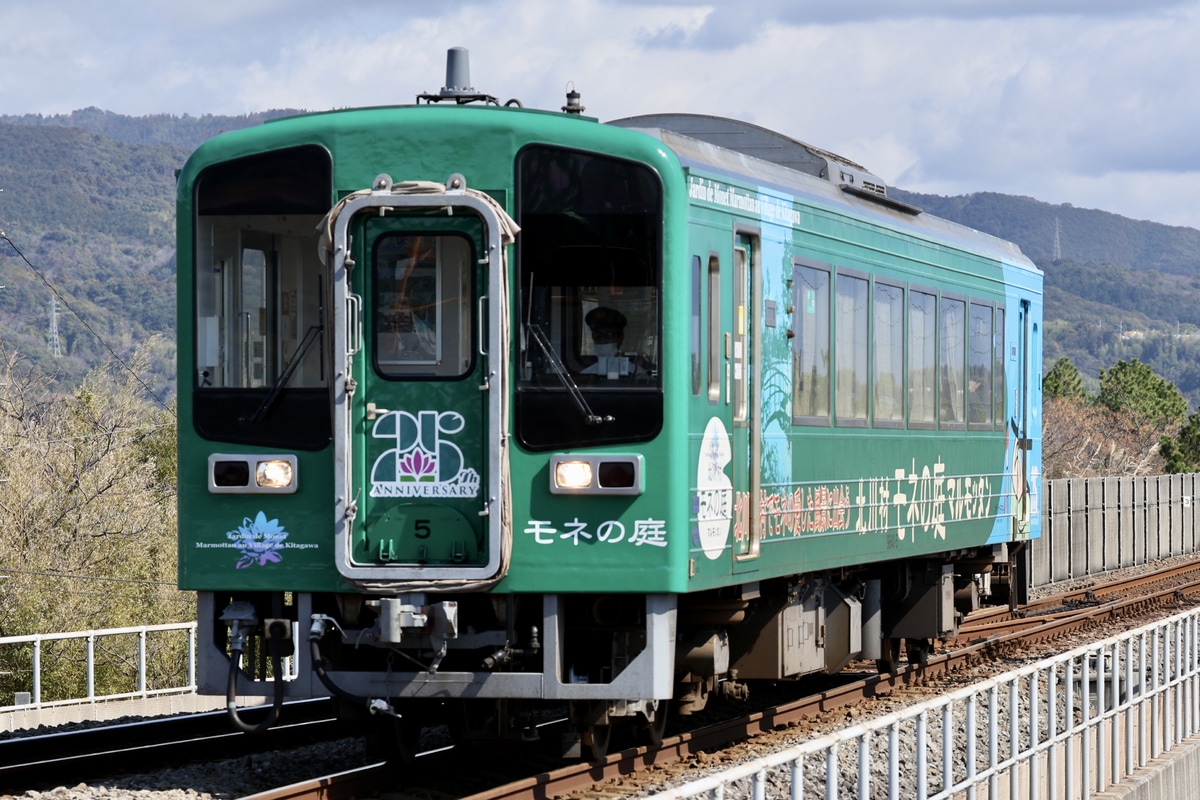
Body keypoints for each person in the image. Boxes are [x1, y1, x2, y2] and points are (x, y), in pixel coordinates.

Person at [581, 306, 629, 376]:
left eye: (609, 335)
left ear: (620, 338)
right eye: (597, 336)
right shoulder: (586, 374)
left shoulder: (635, 372)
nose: (603, 341)